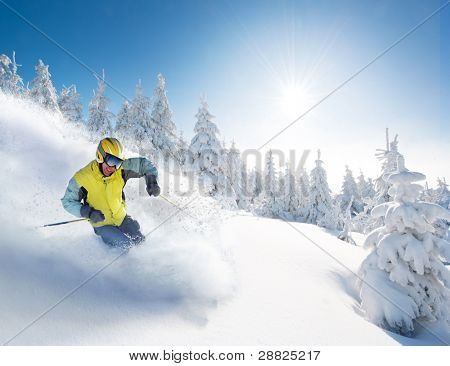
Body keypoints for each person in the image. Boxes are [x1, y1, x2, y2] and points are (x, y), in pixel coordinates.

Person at [61, 137, 160, 248]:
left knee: (140, 241)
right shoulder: (82, 178)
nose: (113, 167)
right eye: (111, 161)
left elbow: (143, 164)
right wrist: (88, 212)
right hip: (102, 225)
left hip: (121, 218)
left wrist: (152, 180)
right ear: (100, 156)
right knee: (125, 246)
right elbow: (68, 201)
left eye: (117, 162)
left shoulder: (120, 170)